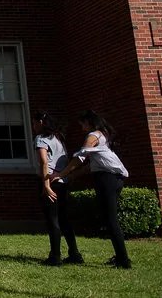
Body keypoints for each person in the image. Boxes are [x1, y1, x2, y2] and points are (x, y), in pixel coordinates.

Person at [53, 110, 131, 269]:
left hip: (107, 179)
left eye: (82, 124)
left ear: (89, 122)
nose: (82, 128)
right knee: (109, 219)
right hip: (116, 178)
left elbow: (80, 157)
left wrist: (62, 173)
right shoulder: (104, 136)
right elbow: (91, 166)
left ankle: (123, 260)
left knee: (111, 220)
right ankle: (120, 256)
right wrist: (72, 176)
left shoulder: (93, 136)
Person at [32, 111, 81, 266]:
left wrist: (46, 185)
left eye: (34, 123)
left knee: (52, 219)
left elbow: (44, 161)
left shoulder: (41, 138)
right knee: (64, 219)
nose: (33, 126)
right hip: (62, 181)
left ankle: (55, 256)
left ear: (40, 122)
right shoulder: (59, 138)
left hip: (50, 181)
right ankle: (74, 253)